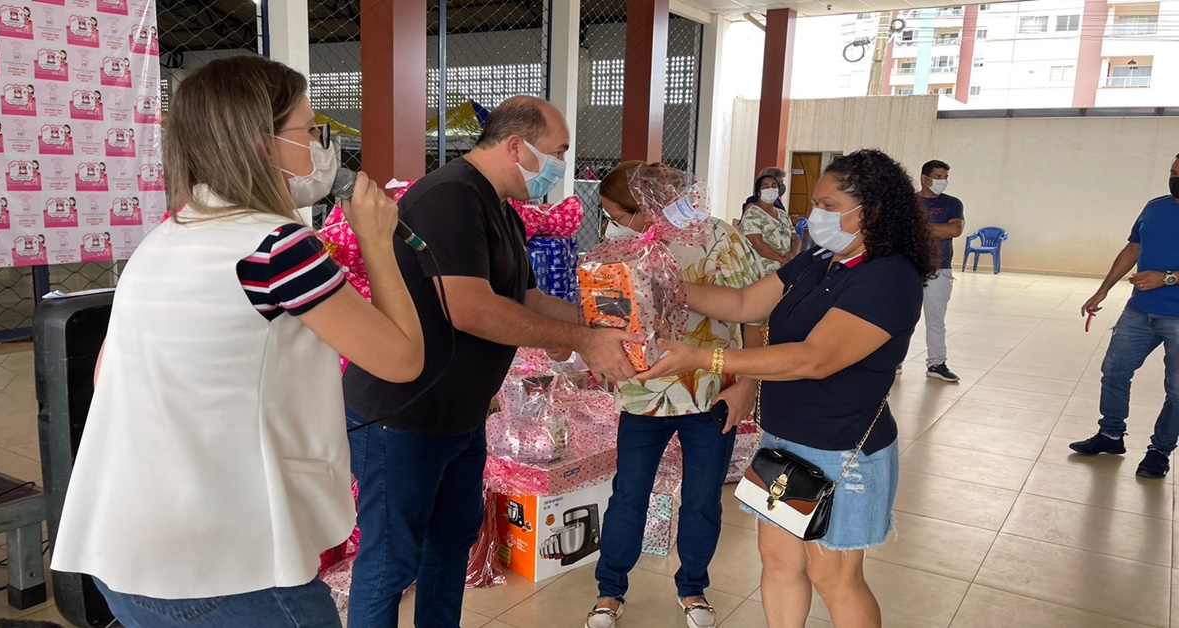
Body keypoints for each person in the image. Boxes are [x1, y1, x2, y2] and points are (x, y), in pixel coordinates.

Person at [50, 55, 425, 627]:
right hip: (219, 566)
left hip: (124, 549)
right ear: (261, 143)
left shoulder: (168, 235)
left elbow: (110, 373)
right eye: (307, 131)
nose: (319, 148)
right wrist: (376, 242)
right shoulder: (276, 247)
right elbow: (401, 359)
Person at [342, 96, 637, 628]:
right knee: (391, 563)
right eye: (558, 153)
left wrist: (596, 327)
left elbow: (523, 296)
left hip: (461, 415)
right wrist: (580, 338)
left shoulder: (501, 208)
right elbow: (470, 309)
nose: (561, 168)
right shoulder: (451, 197)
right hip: (404, 416)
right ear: (515, 145)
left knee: (452, 541)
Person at [639, 149, 936, 628]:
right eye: (815, 203)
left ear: (873, 211)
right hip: (783, 442)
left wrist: (706, 357)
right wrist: (660, 286)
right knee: (778, 561)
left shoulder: (889, 277)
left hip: (841, 449)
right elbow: (743, 302)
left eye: (829, 205)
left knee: (833, 574)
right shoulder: (820, 259)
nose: (815, 215)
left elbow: (813, 358)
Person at [584, 161, 764, 628]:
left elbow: (755, 315)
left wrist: (749, 383)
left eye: (617, 215)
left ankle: (693, 588)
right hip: (645, 394)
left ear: (643, 206)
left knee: (703, 497)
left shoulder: (720, 238)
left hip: (713, 391)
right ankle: (610, 591)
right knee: (629, 495)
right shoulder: (623, 250)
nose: (613, 224)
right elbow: (611, 316)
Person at [1071, 154, 1179, 479]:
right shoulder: (1154, 206)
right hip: (1139, 311)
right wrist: (1102, 290)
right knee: (1115, 372)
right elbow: (1132, 249)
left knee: (1176, 390)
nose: (1174, 179)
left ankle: (1159, 451)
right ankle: (1111, 435)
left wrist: (1169, 277)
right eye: (1173, 172)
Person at [917, 159, 964, 383]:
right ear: (924, 178)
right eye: (937, 177)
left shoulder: (952, 204)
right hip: (908, 269)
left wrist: (917, 228)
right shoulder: (908, 202)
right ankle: (893, 360)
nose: (942, 181)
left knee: (935, 319)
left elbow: (954, 229)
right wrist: (938, 229)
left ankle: (936, 363)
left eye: (944, 177)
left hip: (939, 269)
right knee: (901, 316)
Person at [741, 167, 801, 275]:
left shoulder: (781, 213)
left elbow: (795, 239)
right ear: (758, 192)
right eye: (765, 187)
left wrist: (793, 256)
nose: (770, 190)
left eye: (774, 186)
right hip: (763, 271)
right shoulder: (752, 212)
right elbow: (757, 244)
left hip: (786, 269)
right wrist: (782, 259)